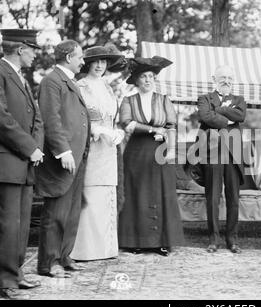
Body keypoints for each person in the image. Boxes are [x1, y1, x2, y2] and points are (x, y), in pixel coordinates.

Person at [118, 56, 184, 256]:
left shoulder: (164, 99)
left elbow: (171, 126)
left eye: (151, 76)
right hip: (137, 152)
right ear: (136, 80)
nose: (147, 80)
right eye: (143, 76)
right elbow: (127, 123)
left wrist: (171, 149)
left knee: (161, 193)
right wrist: (152, 129)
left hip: (160, 151)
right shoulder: (128, 100)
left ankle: (162, 242)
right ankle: (136, 241)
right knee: (138, 193)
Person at [36, 40, 90, 278]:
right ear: (68, 57)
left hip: (77, 156)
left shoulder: (68, 81)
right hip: (65, 158)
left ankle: (65, 256)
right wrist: (63, 151)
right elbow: (51, 119)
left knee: (72, 211)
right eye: (80, 57)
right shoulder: (52, 81)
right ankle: (48, 264)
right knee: (56, 212)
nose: (83, 61)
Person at [69, 45, 125, 261]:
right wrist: (97, 129)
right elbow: (75, 119)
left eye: (104, 62)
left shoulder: (107, 87)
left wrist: (115, 131)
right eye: (96, 61)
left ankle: (105, 249)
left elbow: (111, 117)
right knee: (90, 194)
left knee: (106, 195)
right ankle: (84, 250)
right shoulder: (80, 86)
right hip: (89, 147)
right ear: (88, 63)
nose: (100, 65)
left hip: (109, 149)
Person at [0, 29, 44, 299]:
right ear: (20, 49)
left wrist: (36, 148)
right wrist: (30, 148)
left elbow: (36, 118)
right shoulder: (2, 72)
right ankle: (5, 281)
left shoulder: (20, 77)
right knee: (8, 224)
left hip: (25, 162)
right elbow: (2, 118)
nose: (35, 54)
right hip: (8, 161)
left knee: (22, 223)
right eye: (32, 50)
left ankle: (15, 274)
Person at [197, 65, 247, 254]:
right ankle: (213, 240)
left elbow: (241, 116)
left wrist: (218, 110)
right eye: (222, 77)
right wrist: (228, 117)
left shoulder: (239, 99)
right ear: (214, 79)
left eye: (230, 78)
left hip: (233, 154)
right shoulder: (204, 99)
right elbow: (205, 116)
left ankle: (232, 240)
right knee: (213, 198)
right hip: (212, 152)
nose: (226, 81)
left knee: (233, 198)